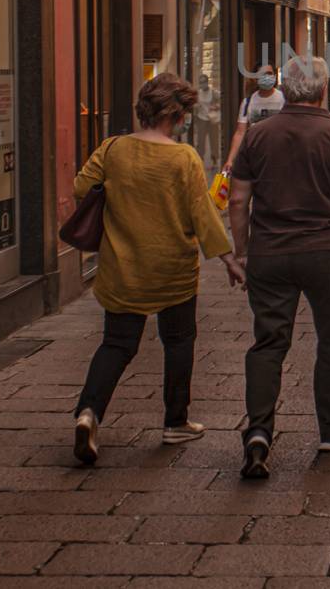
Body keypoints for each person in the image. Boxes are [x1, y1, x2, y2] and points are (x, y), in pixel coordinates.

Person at [71, 74, 247, 465]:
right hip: (172, 268)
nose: (186, 119)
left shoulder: (112, 148)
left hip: (122, 266)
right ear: (175, 113)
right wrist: (229, 258)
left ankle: (89, 412)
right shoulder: (182, 157)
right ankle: (174, 421)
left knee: (116, 344)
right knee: (179, 341)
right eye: (184, 112)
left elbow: (83, 188)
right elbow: (202, 214)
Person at [229, 56, 330, 480]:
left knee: (268, 343)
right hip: (325, 251)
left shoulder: (257, 136)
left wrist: (241, 252)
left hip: (270, 252)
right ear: (320, 91)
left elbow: (238, 200)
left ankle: (259, 431)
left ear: (285, 89)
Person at [222, 63, 285, 175]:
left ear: (275, 76)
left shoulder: (285, 99)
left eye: (269, 73)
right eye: (262, 74)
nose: (267, 77)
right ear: (256, 79)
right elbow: (240, 132)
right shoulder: (248, 102)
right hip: (255, 157)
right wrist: (230, 160)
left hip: (279, 157)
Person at [193, 73, 220, 169]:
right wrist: (196, 106)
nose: (202, 84)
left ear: (207, 82)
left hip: (212, 119)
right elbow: (194, 105)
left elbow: (220, 102)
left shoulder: (214, 92)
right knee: (200, 141)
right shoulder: (198, 93)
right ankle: (200, 160)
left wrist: (216, 106)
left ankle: (215, 160)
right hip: (201, 118)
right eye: (201, 82)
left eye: (204, 82)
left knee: (214, 140)